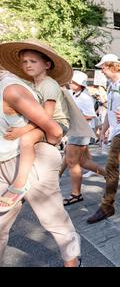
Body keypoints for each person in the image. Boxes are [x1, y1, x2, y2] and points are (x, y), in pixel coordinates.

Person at [0, 68, 81, 267]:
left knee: (54, 221)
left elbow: (54, 130)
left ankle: (73, 263)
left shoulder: (12, 89)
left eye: (33, 61)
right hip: (5, 163)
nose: (28, 65)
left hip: (34, 160)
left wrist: (32, 136)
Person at [0, 40, 72, 211]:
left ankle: (20, 182)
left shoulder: (49, 84)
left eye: (33, 61)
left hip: (58, 123)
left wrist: (23, 130)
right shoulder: (32, 84)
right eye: (24, 61)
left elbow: (47, 115)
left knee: (26, 140)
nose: (28, 65)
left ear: (47, 64)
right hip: (45, 125)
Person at [86, 54, 120, 224]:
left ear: (111, 66)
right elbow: (109, 111)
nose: (102, 70)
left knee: (111, 165)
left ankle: (107, 205)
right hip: (116, 130)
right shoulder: (111, 86)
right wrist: (103, 130)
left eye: (103, 67)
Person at [62, 71, 106, 206]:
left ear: (80, 85)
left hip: (81, 131)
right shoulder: (72, 94)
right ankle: (109, 175)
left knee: (72, 162)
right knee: (82, 161)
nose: (71, 83)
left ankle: (76, 194)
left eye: (74, 82)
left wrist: (74, 116)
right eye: (71, 81)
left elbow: (91, 115)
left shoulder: (85, 98)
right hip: (75, 130)